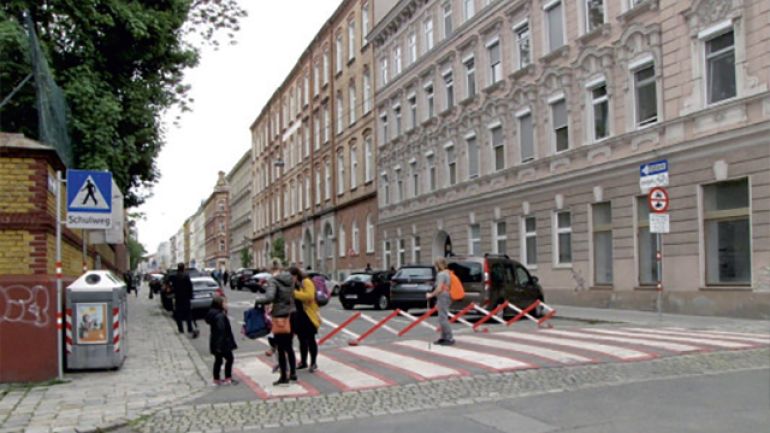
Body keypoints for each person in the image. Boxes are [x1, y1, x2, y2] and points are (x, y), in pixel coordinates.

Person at [254, 260, 296, 386]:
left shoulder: (273, 281)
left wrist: (258, 300)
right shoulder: (289, 279)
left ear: (271, 269)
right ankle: (293, 373)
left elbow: (270, 297)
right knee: (289, 346)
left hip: (279, 316)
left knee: (281, 348)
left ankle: (284, 376)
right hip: (291, 314)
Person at [289, 267, 320, 373]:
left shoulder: (306, 282)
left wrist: (295, 294)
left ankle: (313, 362)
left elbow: (310, 296)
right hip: (298, 315)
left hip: (308, 315)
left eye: (291, 276)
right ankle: (303, 361)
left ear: (296, 275)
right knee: (301, 339)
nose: (290, 279)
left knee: (310, 338)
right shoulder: (294, 285)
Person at [205, 296, 238, 386]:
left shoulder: (213, 314)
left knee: (218, 360)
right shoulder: (220, 316)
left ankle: (216, 379)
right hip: (223, 343)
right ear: (220, 305)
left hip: (215, 341)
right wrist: (219, 346)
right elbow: (221, 331)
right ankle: (228, 377)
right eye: (224, 303)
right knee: (229, 359)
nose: (226, 305)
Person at [426, 257, 454, 346]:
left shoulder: (441, 274)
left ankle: (449, 338)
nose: (435, 267)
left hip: (443, 296)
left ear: (439, 265)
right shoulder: (447, 273)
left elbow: (439, 289)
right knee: (442, 317)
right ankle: (444, 337)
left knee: (443, 318)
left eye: (436, 265)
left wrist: (430, 295)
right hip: (447, 295)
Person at [170, 263, 199, 338]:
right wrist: (191, 296)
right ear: (183, 268)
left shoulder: (175, 277)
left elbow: (173, 287)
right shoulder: (186, 276)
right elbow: (190, 287)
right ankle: (189, 328)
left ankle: (181, 329)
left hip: (178, 298)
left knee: (178, 314)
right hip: (186, 298)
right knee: (188, 314)